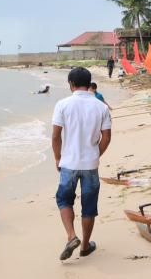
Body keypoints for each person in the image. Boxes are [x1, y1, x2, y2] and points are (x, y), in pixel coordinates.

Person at [52, 67, 111, 260]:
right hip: (90, 165)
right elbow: (106, 137)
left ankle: (71, 236)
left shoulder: (63, 104)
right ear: (89, 83)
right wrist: (96, 154)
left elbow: (56, 136)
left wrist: (57, 157)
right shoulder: (101, 106)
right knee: (89, 206)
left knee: (64, 200)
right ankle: (85, 246)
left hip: (69, 163)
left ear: (71, 84)